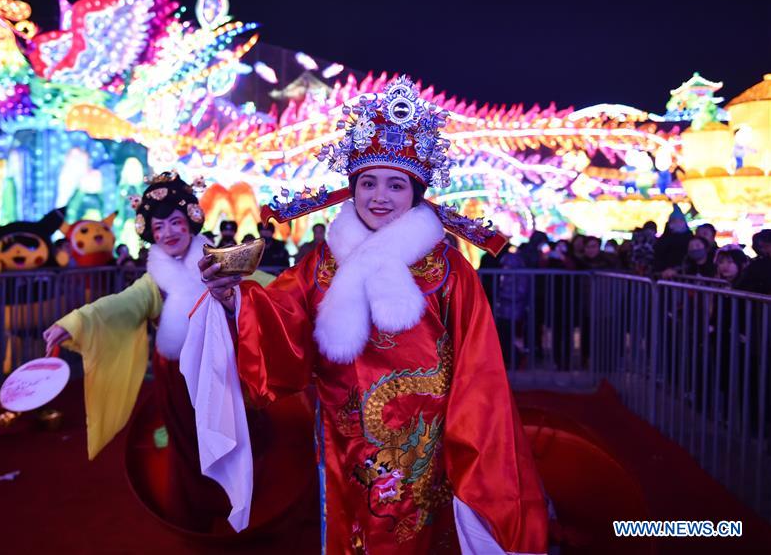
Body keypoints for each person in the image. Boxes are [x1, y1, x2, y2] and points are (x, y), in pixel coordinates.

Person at [201, 77, 547, 554]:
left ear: (416, 192)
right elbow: (283, 312)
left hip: (429, 445)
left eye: (395, 184)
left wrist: (473, 446)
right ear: (352, 188)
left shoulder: (448, 271)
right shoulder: (322, 262)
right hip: (343, 441)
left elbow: (479, 371)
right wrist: (235, 300)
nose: (379, 195)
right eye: (367, 182)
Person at [42, 172, 311, 534]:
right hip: (178, 379)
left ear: (190, 223)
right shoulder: (154, 282)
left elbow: (270, 288)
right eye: (159, 226)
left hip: (222, 369)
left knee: (240, 432)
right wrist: (74, 323)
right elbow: (120, 306)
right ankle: (198, 511)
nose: (169, 232)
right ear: (149, 232)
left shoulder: (220, 260)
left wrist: (312, 297)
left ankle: (245, 501)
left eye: (175, 222)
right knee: (190, 448)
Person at [654, 209, 692, 278]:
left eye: (680, 221)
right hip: (663, 274)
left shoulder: (689, 238)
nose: (677, 223)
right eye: (674, 221)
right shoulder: (664, 238)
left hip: (682, 275)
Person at [735, 229, 771, 295]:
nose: (763, 250)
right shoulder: (757, 264)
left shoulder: (756, 264)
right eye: (761, 247)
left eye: (766, 246)